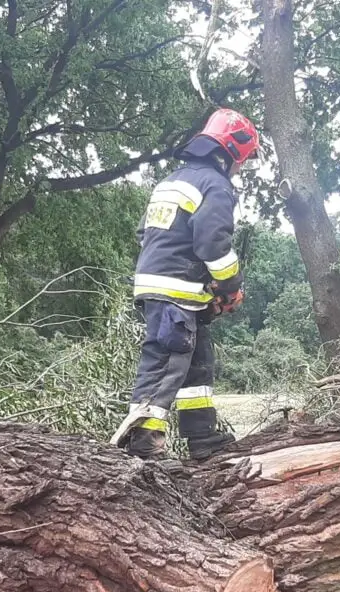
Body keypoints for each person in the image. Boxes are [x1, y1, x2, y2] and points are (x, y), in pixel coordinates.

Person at [111, 108, 259, 461]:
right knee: (165, 362)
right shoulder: (216, 185)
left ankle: (202, 437)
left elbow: (145, 233)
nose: (240, 169)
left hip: (170, 287)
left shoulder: (172, 182)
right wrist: (229, 287)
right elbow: (213, 244)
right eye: (242, 162)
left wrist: (203, 286)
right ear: (231, 152)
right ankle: (144, 444)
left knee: (196, 365)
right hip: (174, 290)